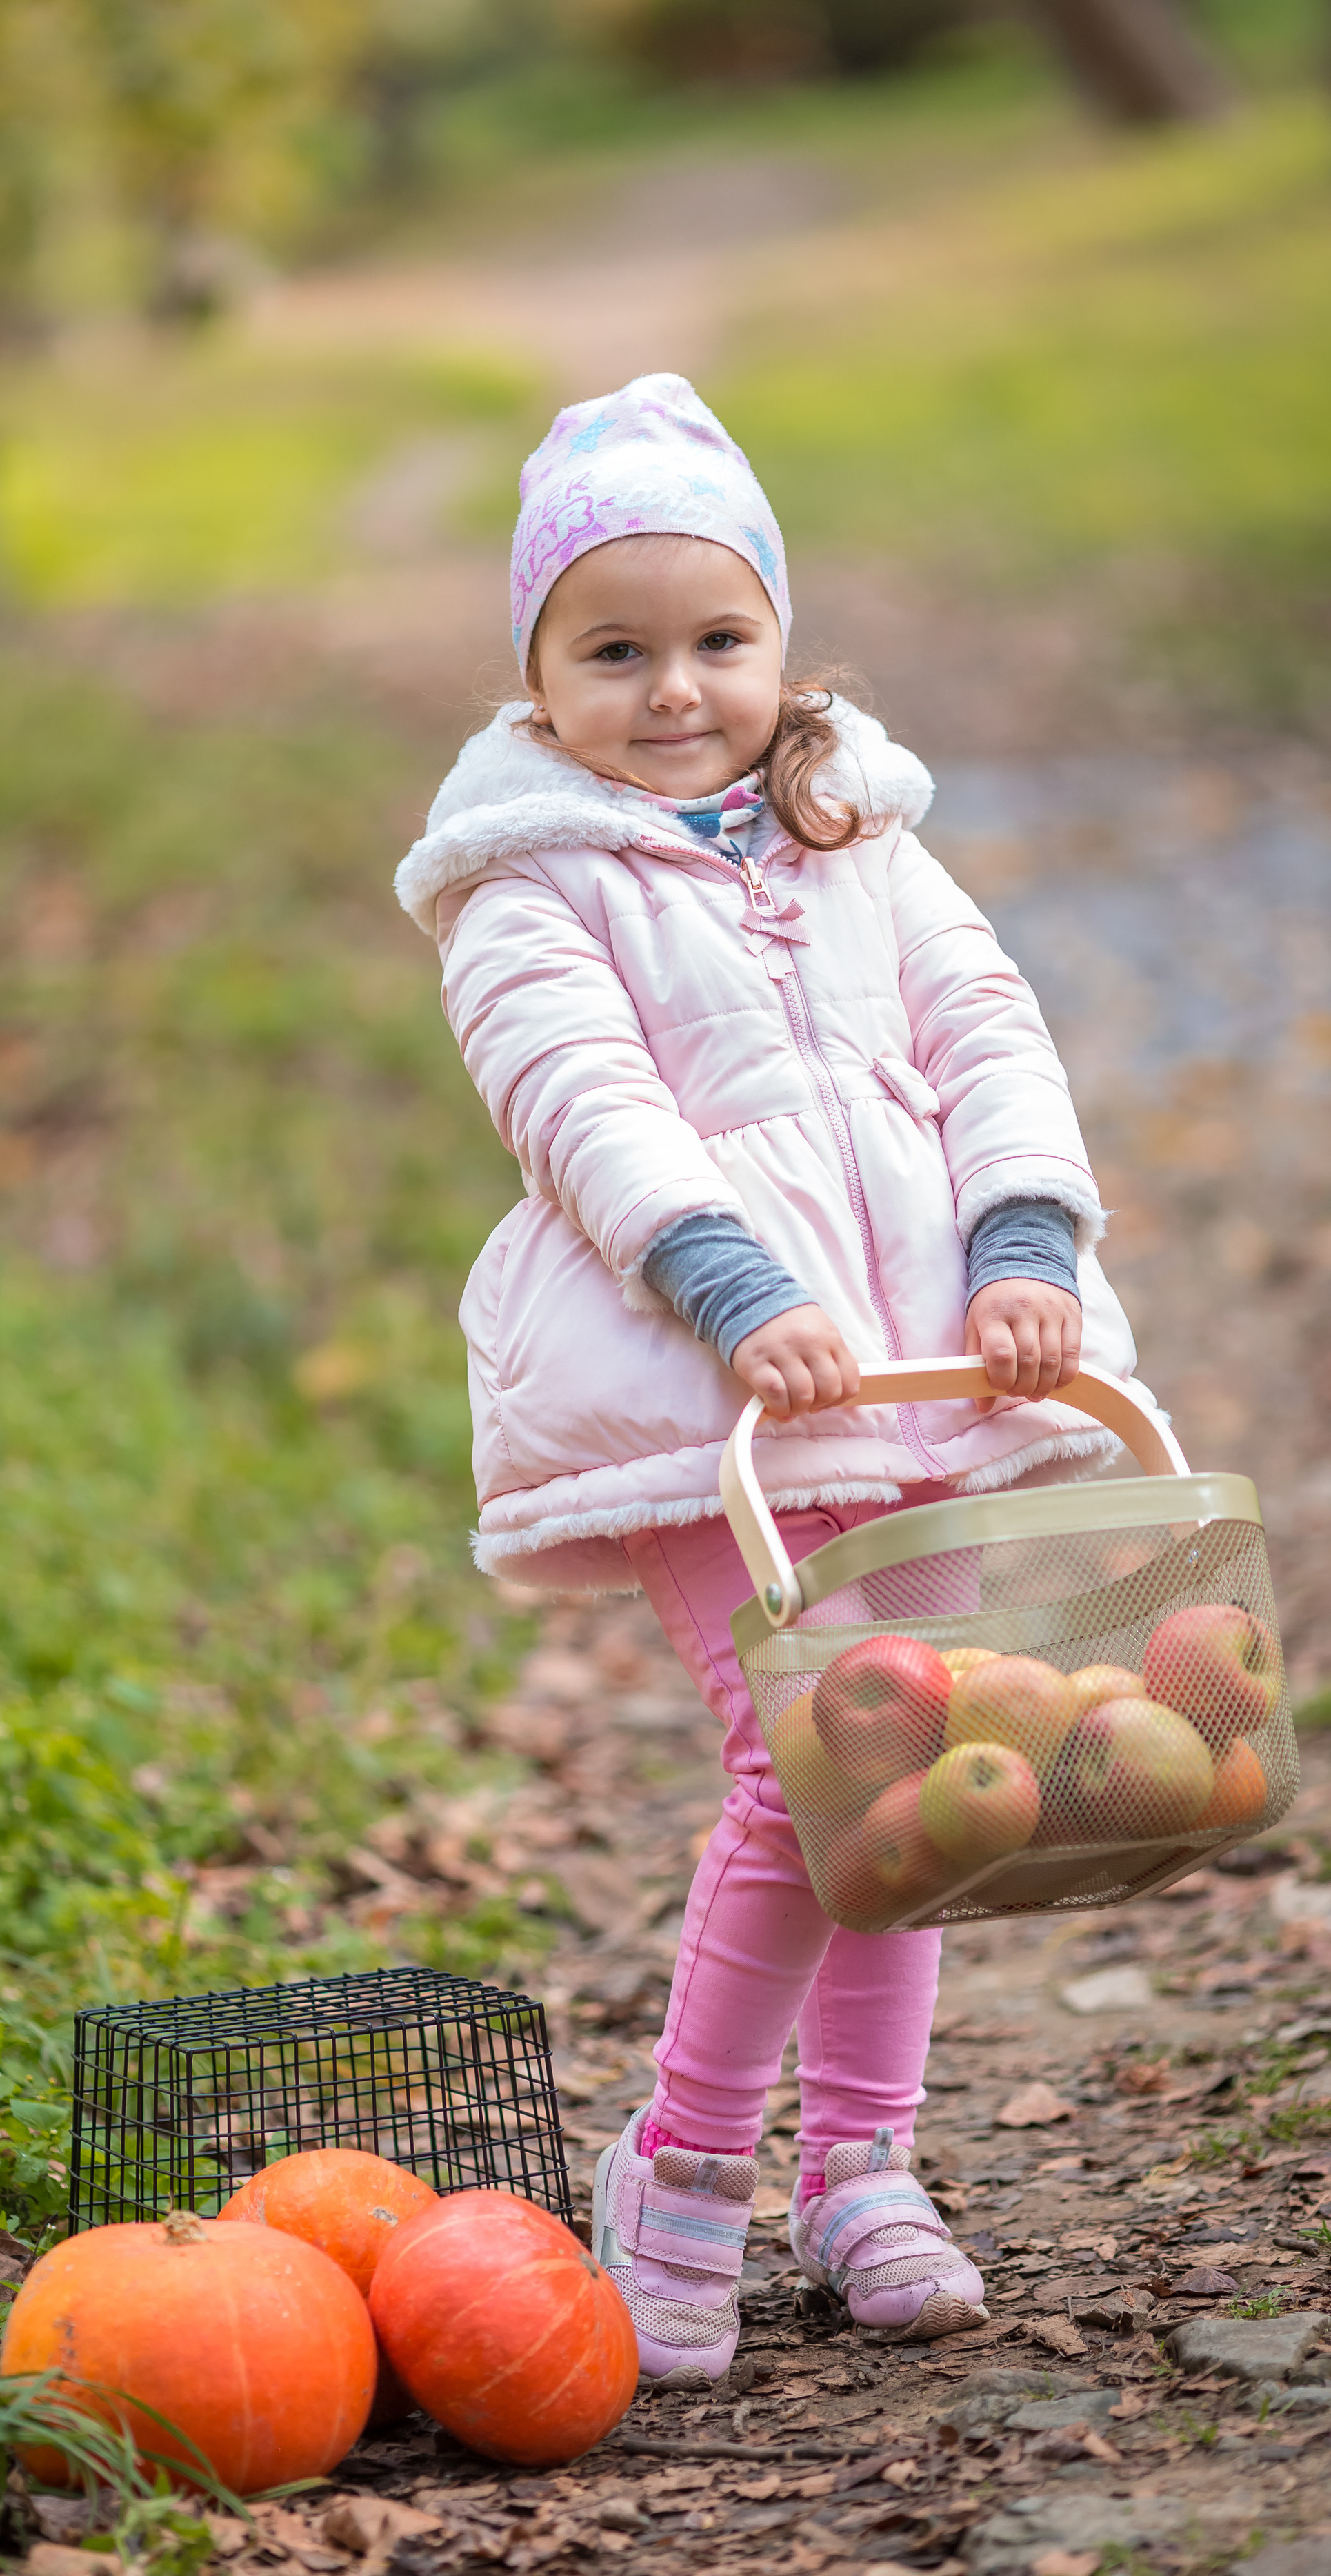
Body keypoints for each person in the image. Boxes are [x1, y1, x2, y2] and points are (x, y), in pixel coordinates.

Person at [394, 372, 1141, 2382]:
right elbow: (581, 1096)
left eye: (718, 640)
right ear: (537, 674)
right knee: (805, 1769)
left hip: (917, 1367)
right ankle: (690, 2163)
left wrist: (1022, 1243)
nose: (673, 690)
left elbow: (991, 1032)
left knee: (928, 1774)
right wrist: (730, 1282)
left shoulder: (859, 836)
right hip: (709, 1387)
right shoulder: (526, 879)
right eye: (613, 650)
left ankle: (866, 2166)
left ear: (782, 644)